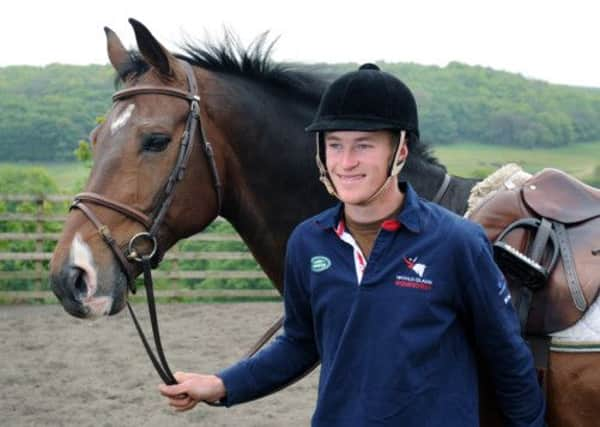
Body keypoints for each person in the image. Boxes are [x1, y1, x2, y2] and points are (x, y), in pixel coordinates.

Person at [159, 64, 546, 426]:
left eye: (364, 145)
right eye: (334, 145)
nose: (346, 162)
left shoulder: (456, 241)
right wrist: (221, 385)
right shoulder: (308, 242)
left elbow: (507, 357)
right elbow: (300, 342)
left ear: (400, 152)